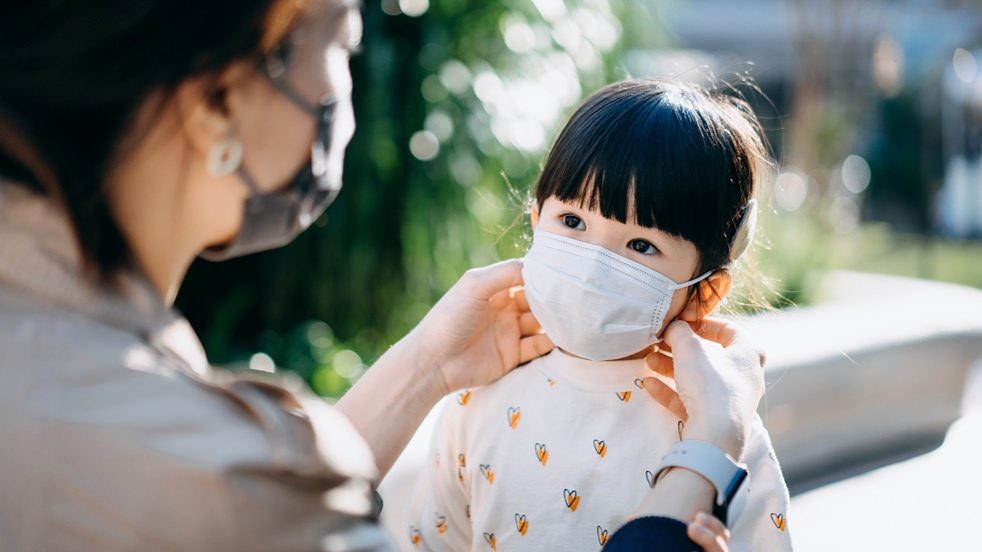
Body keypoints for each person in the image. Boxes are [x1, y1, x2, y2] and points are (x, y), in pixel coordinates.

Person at [0, 1, 764, 550]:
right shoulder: (216, 481)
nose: (344, 91)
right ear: (218, 97)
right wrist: (706, 455)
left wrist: (430, 363)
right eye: (340, 41)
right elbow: (254, 508)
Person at [405, 79, 792, 551]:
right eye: (572, 221)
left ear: (703, 292)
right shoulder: (477, 400)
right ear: (536, 221)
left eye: (641, 245)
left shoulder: (720, 435)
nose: (591, 262)